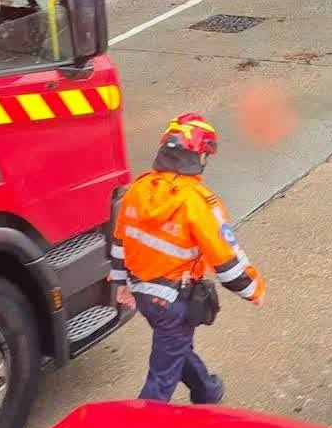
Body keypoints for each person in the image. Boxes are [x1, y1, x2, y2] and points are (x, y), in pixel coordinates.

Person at [111, 114, 264, 404]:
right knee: (160, 381)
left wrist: (121, 284)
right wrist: (253, 290)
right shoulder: (199, 202)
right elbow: (226, 260)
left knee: (175, 345)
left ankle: (206, 390)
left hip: (143, 295)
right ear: (200, 156)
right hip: (174, 301)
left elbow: (120, 241)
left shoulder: (137, 190)